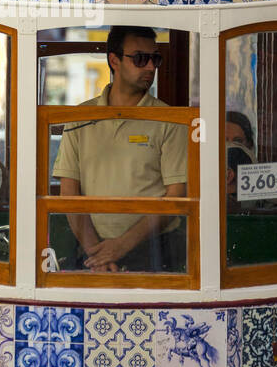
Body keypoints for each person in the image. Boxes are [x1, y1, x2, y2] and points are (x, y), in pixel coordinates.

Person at [53, 26, 187, 273]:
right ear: (114, 60)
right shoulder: (80, 118)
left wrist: (121, 246)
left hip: (155, 249)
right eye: (140, 58)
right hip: (90, 249)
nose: (150, 67)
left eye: (154, 59)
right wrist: (98, 256)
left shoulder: (170, 120)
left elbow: (176, 196)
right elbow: (69, 193)